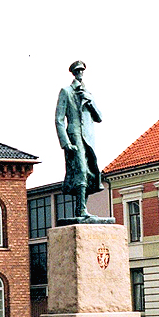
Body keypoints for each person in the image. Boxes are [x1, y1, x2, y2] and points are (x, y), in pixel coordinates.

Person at [55, 60, 104, 218]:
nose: (80, 73)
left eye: (82, 71)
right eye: (77, 71)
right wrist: (65, 143)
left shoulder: (88, 93)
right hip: (74, 135)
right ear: (73, 73)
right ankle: (81, 209)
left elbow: (99, 117)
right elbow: (59, 119)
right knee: (81, 170)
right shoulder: (66, 91)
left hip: (89, 137)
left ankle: (82, 209)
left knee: (90, 172)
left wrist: (89, 101)